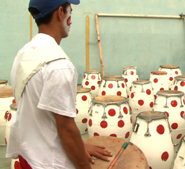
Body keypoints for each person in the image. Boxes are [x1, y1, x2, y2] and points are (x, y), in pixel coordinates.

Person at [6, 0, 112, 168]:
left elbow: (38, 116)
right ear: (60, 12)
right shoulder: (59, 65)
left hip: (29, 158)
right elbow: (67, 131)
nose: (71, 18)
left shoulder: (24, 53)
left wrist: (80, 145)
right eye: (70, 11)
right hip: (50, 163)